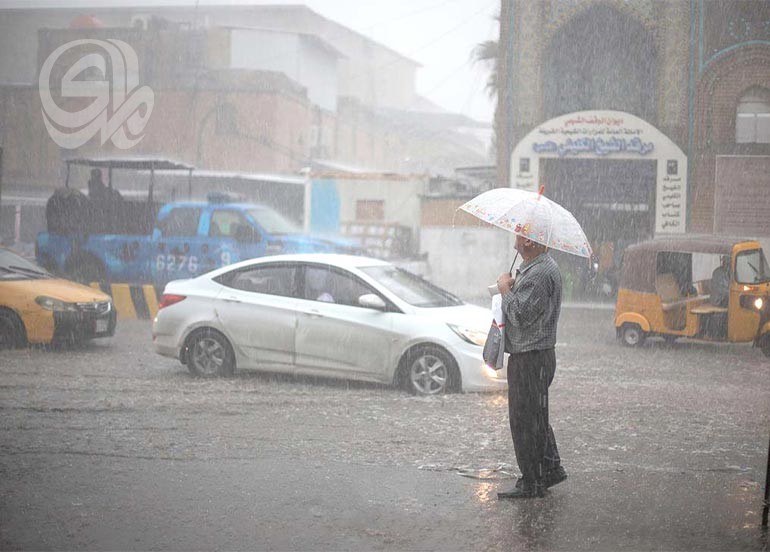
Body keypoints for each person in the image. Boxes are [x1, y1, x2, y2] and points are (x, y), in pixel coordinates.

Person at [495, 235, 567, 499]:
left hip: (531, 357)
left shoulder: (540, 273)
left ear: (532, 243)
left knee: (524, 421)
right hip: (535, 356)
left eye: (519, 239)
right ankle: (548, 469)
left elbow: (521, 315)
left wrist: (505, 290)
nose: (515, 244)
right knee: (536, 417)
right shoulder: (538, 268)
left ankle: (531, 482)